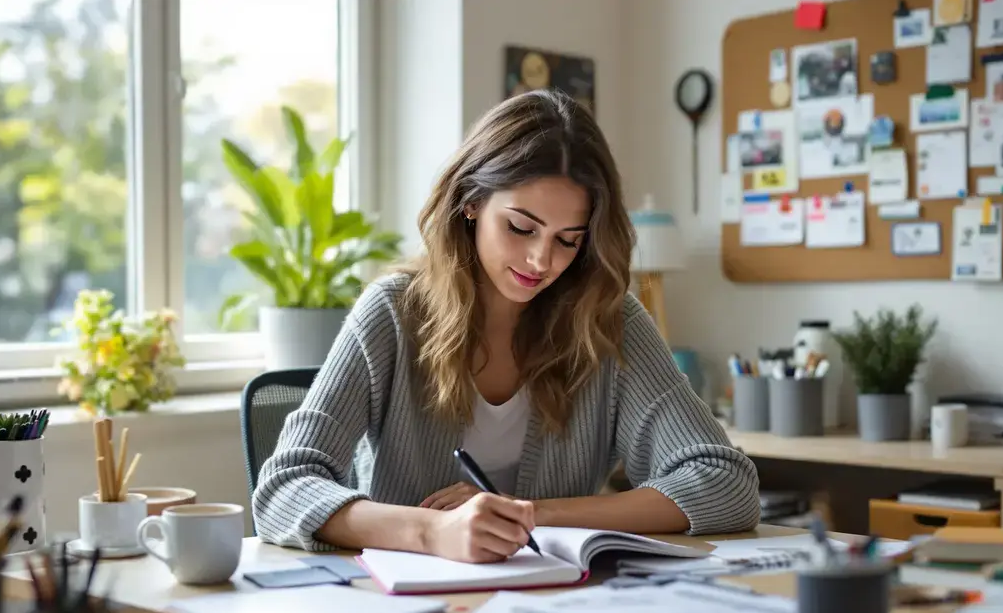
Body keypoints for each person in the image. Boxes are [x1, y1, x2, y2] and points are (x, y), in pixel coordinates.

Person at [252, 89, 761, 564]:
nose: (541, 260)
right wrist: (433, 532)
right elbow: (283, 489)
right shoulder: (391, 314)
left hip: (556, 601)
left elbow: (727, 484)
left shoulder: (609, 321)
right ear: (471, 202)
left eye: (568, 239)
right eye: (521, 227)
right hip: (407, 606)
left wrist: (529, 513)